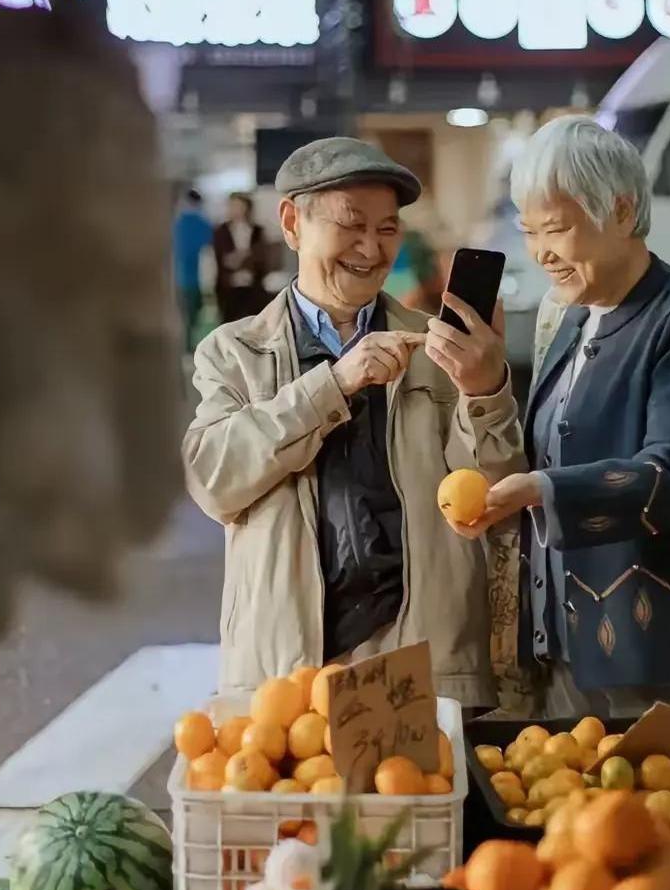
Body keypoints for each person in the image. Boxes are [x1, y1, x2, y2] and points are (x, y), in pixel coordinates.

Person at [182, 137, 523, 708]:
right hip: (287, 676)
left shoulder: (437, 349)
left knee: (419, 799)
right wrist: (332, 384)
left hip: (421, 664)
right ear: (292, 223)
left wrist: (484, 390)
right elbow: (213, 479)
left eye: (388, 229)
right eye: (351, 225)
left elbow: (492, 497)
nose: (371, 248)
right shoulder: (234, 353)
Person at [446, 114, 670, 726]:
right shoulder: (566, 314)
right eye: (528, 231)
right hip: (572, 647)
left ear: (620, 213)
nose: (541, 253)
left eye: (557, 228)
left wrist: (542, 491)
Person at [213, 193, 269, 323]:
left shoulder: (257, 231)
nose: (237, 210)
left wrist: (244, 258)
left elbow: (261, 258)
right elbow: (221, 259)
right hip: (228, 289)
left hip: (252, 288)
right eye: (234, 206)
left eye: (240, 206)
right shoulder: (221, 231)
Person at [172, 186, 212, 353]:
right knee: (194, 316)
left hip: (177, 278)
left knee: (182, 315)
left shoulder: (176, 225)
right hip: (199, 280)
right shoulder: (204, 225)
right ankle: (190, 347)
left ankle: (184, 346)